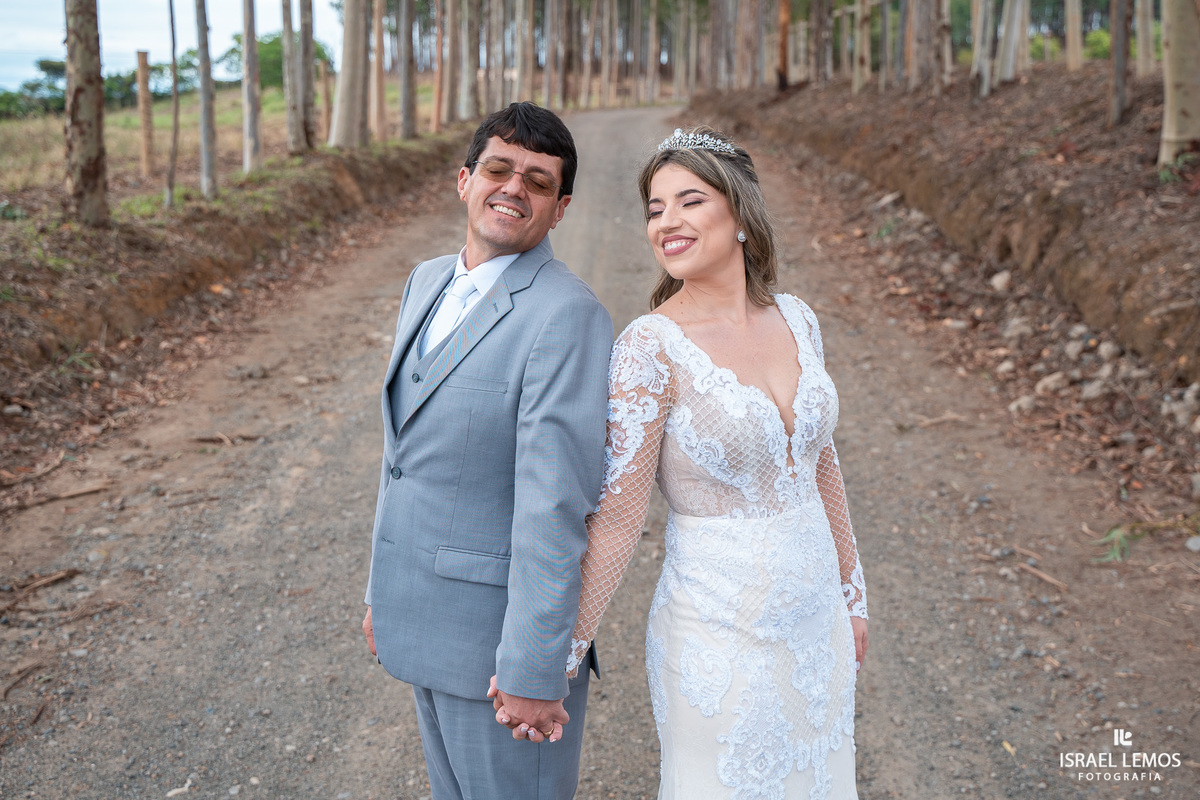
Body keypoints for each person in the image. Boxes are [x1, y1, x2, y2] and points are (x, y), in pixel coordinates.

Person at [500, 126, 870, 798]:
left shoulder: (798, 318)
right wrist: (558, 657)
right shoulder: (650, 348)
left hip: (817, 629)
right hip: (716, 637)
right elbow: (616, 519)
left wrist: (854, 597)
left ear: (741, 217)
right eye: (654, 208)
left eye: (689, 201)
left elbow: (822, 466)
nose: (666, 220)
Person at [362, 102, 612, 800]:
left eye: (538, 181)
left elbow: (555, 505)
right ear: (465, 179)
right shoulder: (426, 280)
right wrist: (382, 592)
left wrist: (536, 669)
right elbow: (404, 456)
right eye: (499, 169)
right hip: (420, 620)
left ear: (559, 209)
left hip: (499, 656)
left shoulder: (568, 314)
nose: (513, 188)